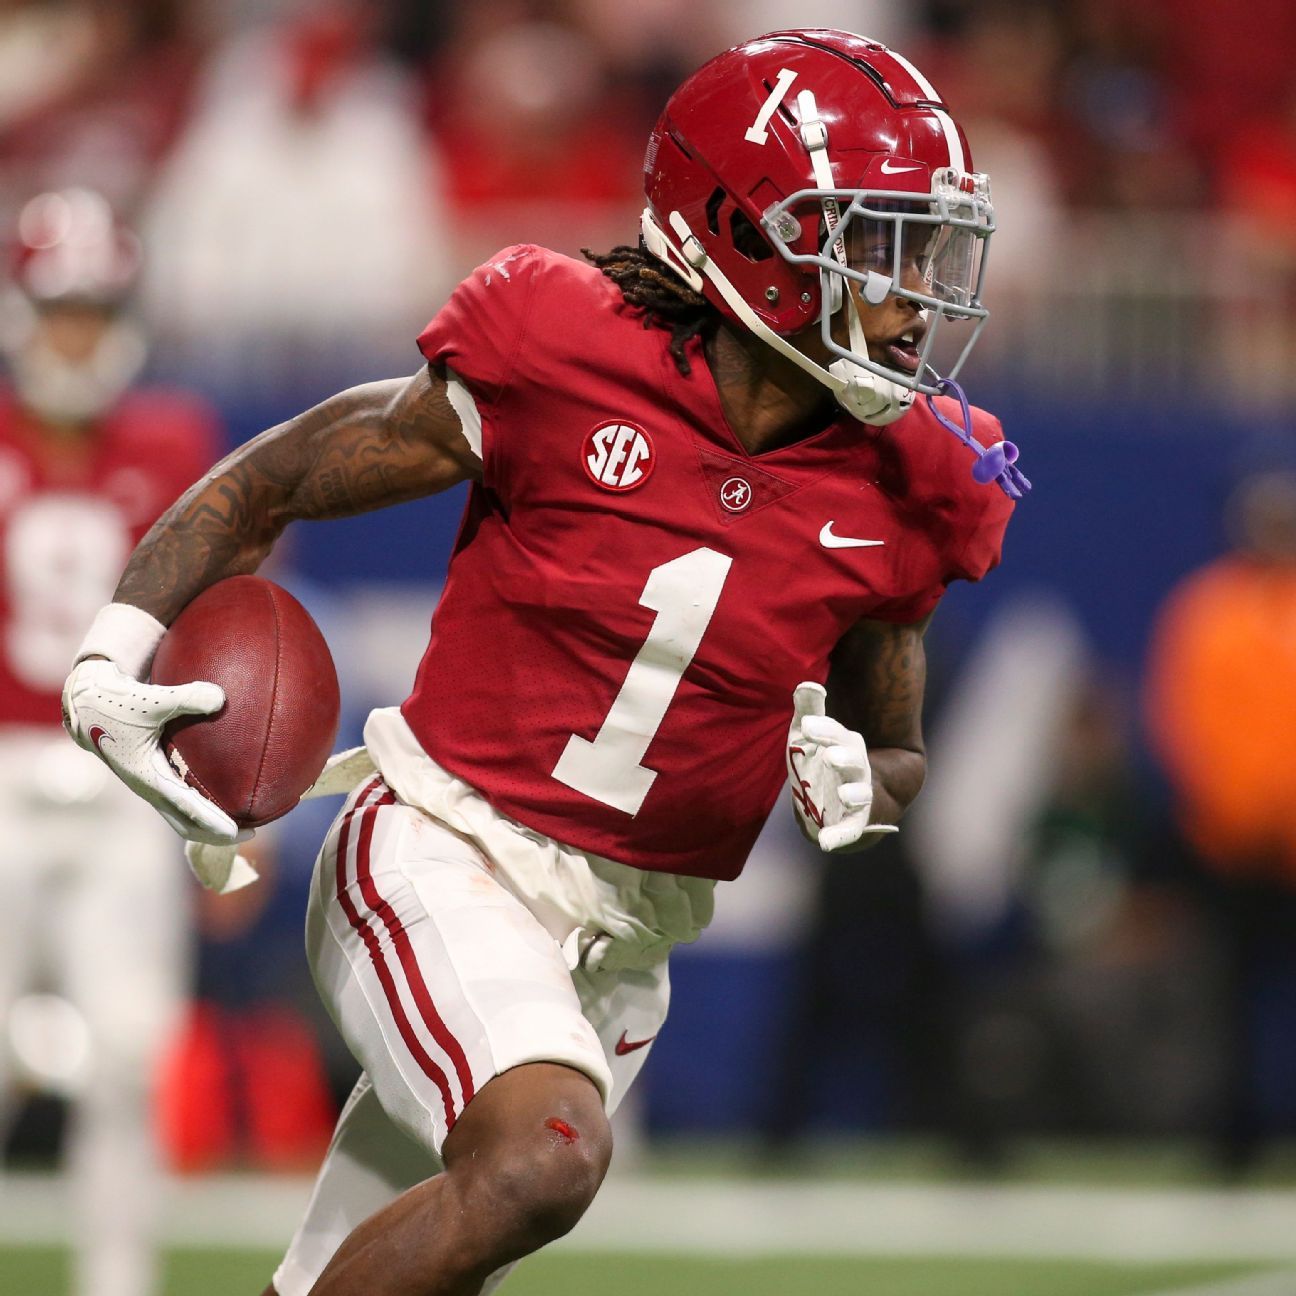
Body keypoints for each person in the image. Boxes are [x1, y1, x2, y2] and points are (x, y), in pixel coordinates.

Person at [61, 30, 1019, 1295]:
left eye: (927, 246)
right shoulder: (562, 347)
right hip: (444, 845)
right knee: (540, 1163)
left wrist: (868, 785)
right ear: (746, 234)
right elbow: (277, 478)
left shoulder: (917, 476)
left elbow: (895, 743)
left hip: (629, 943)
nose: (916, 292)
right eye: (875, 242)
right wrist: (110, 655)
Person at [0, 188, 219, 1296]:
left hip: (128, 780)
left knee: (130, 1058)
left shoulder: (174, 442)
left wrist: (228, 810)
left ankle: (117, 1283)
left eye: (93, 311)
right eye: (60, 311)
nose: (76, 337)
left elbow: (219, 635)